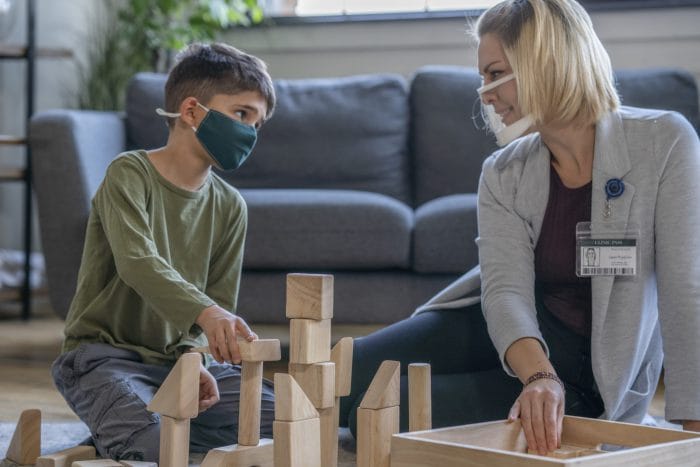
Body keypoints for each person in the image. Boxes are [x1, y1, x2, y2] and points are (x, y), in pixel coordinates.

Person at [340, 0, 700, 455]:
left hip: (586, 375)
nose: (484, 94)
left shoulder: (665, 141)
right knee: (343, 376)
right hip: (511, 334)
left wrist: (692, 434)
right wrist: (538, 374)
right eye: (482, 78)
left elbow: (685, 292)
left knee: (382, 412)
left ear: (544, 63)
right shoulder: (502, 170)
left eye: (494, 74)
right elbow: (505, 289)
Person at [51, 43, 276, 462]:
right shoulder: (129, 173)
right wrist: (207, 314)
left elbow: (219, 302)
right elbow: (138, 262)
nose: (250, 133)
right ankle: (127, 428)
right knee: (158, 446)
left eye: (258, 124)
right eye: (242, 114)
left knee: (287, 422)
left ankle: (126, 429)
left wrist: (198, 360)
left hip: (178, 363)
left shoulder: (230, 207)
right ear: (192, 112)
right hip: (103, 358)